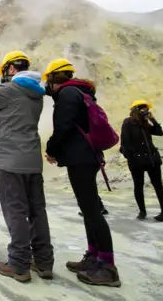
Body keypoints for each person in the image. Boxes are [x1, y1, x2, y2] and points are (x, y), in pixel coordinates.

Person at [0, 50, 54, 283]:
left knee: (15, 211)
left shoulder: (10, 91)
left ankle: (18, 264)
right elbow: (11, 101)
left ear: (10, 68)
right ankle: (44, 261)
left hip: (9, 163)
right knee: (37, 211)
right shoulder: (34, 93)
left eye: (5, 71)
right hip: (32, 163)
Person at [43, 58, 121, 287]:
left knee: (92, 211)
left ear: (54, 78)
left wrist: (51, 150)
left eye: (48, 80)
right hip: (88, 156)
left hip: (81, 158)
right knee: (88, 209)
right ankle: (93, 257)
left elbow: (63, 128)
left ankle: (107, 267)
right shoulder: (78, 92)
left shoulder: (67, 95)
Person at [120, 100, 163, 222]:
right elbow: (124, 144)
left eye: (146, 109)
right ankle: (142, 212)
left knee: (158, 186)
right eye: (142, 108)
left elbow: (160, 133)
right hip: (137, 162)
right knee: (138, 186)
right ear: (135, 110)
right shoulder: (128, 123)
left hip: (152, 160)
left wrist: (153, 120)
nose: (145, 111)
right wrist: (132, 157)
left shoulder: (146, 123)